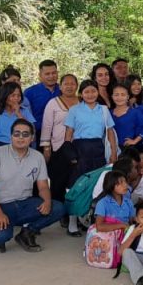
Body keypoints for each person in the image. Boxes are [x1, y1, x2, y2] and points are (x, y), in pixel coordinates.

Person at [0, 119, 65, 253]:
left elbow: (43, 186)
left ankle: (27, 232)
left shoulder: (38, 157)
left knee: (58, 208)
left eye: (25, 134)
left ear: (32, 138)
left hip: (25, 204)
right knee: (1, 237)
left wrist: (47, 201)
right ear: (11, 136)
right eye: (17, 134)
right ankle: (0, 235)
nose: (20, 138)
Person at [64, 79, 118, 236]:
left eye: (93, 91)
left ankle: (88, 220)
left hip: (98, 149)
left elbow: (109, 132)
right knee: (76, 183)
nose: (90, 94)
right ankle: (72, 223)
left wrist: (114, 152)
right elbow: (68, 133)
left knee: (96, 184)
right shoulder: (74, 110)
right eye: (86, 92)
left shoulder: (104, 110)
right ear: (81, 94)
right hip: (79, 149)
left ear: (97, 92)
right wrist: (69, 153)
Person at [40, 74, 80, 204]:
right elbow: (47, 126)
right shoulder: (53, 103)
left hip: (79, 148)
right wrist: (46, 147)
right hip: (58, 148)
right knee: (58, 181)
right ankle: (58, 208)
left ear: (77, 86)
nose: (69, 86)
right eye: (66, 84)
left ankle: (74, 210)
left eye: (72, 83)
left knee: (76, 181)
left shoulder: (83, 102)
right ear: (60, 87)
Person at [0, 82, 36, 149]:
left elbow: (33, 135)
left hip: (21, 147)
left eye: (18, 96)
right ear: (4, 96)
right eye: (13, 95)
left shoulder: (25, 111)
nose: (16, 98)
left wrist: (18, 114)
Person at [23, 60, 61, 135]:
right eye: (47, 74)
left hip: (60, 133)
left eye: (54, 73)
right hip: (37, 133)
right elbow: (24, 114)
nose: (51, 76)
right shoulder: (30, 92)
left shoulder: (63, 90)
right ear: (40, 75)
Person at [111, 83, 143, 149]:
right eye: (116, 95)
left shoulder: (135, 112)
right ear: (112, 96)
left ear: (128, 97)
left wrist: (135, 141)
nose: (119, 97)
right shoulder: (108, 113)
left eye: (123, 95)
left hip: (128, 149)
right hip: (110, 149)